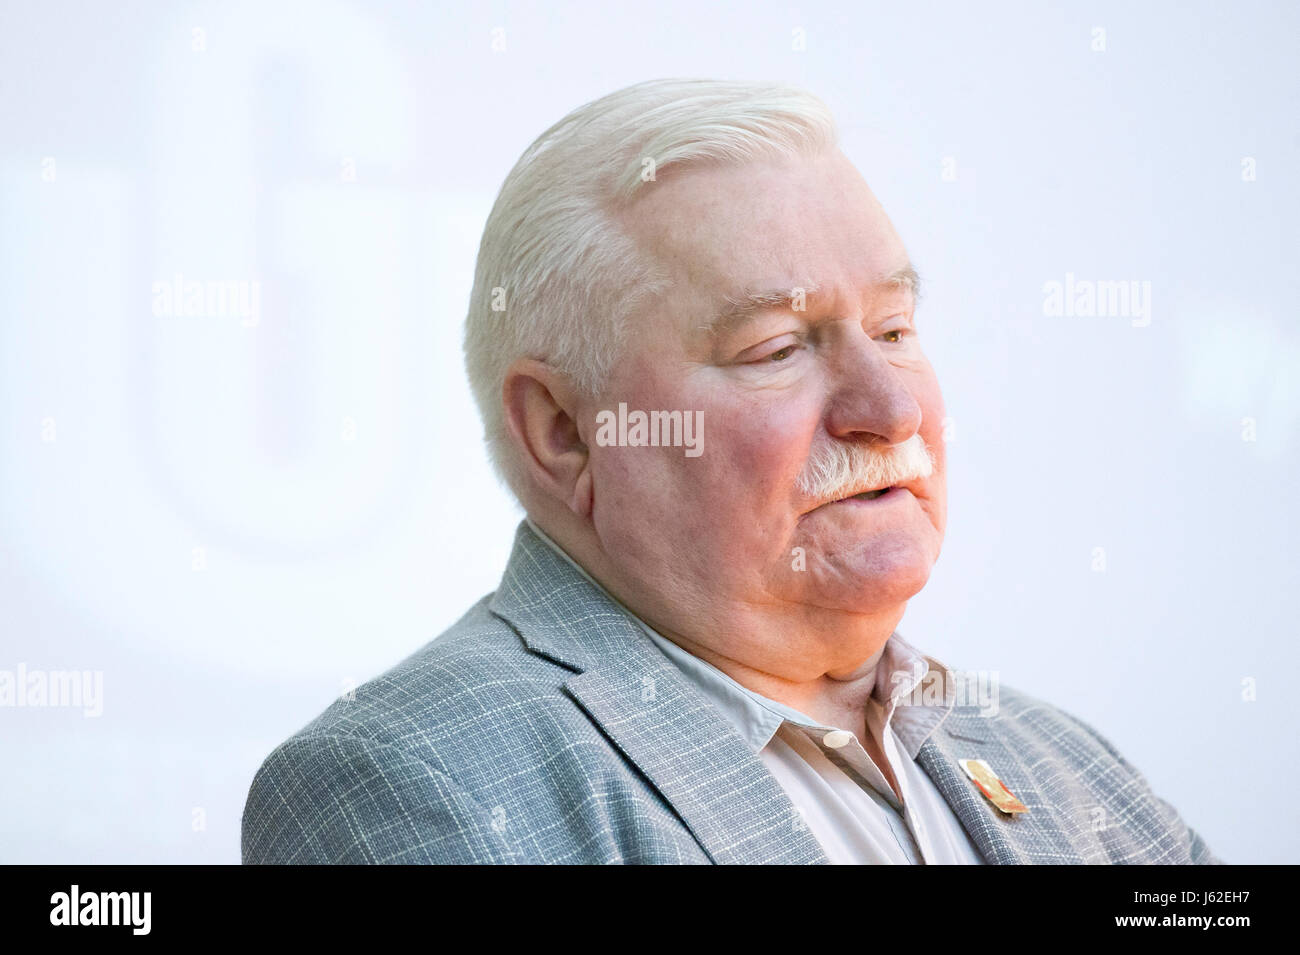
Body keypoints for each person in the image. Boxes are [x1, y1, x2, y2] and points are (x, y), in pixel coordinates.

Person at [242, 78, 1220, 864]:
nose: (888, 409)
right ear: (567, 434)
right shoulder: (413, 779)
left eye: (894, 328)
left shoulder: (1071, 772)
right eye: (778, 347)